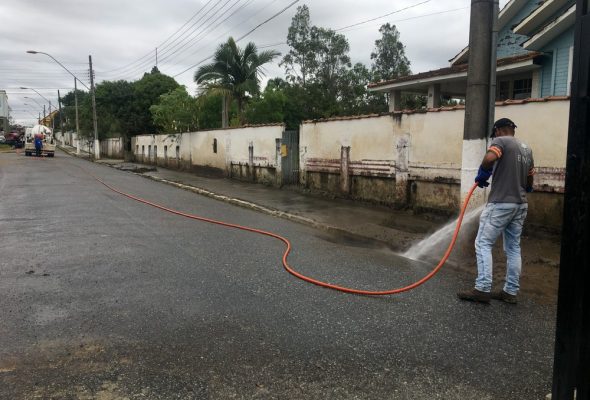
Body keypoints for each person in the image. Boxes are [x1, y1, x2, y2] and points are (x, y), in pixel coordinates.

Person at [457, 118, 535, 304]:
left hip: (500, 203)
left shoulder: (501, 141)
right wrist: (526, 187)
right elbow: (530, 178)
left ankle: (482, 289)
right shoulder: (527, 148)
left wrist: (483, 172)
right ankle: (510, 292)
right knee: (513, 248)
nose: (495, 137)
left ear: (499, 130)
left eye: (495, 134)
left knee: (483, 243)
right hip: (520, 205)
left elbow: (489, 158)